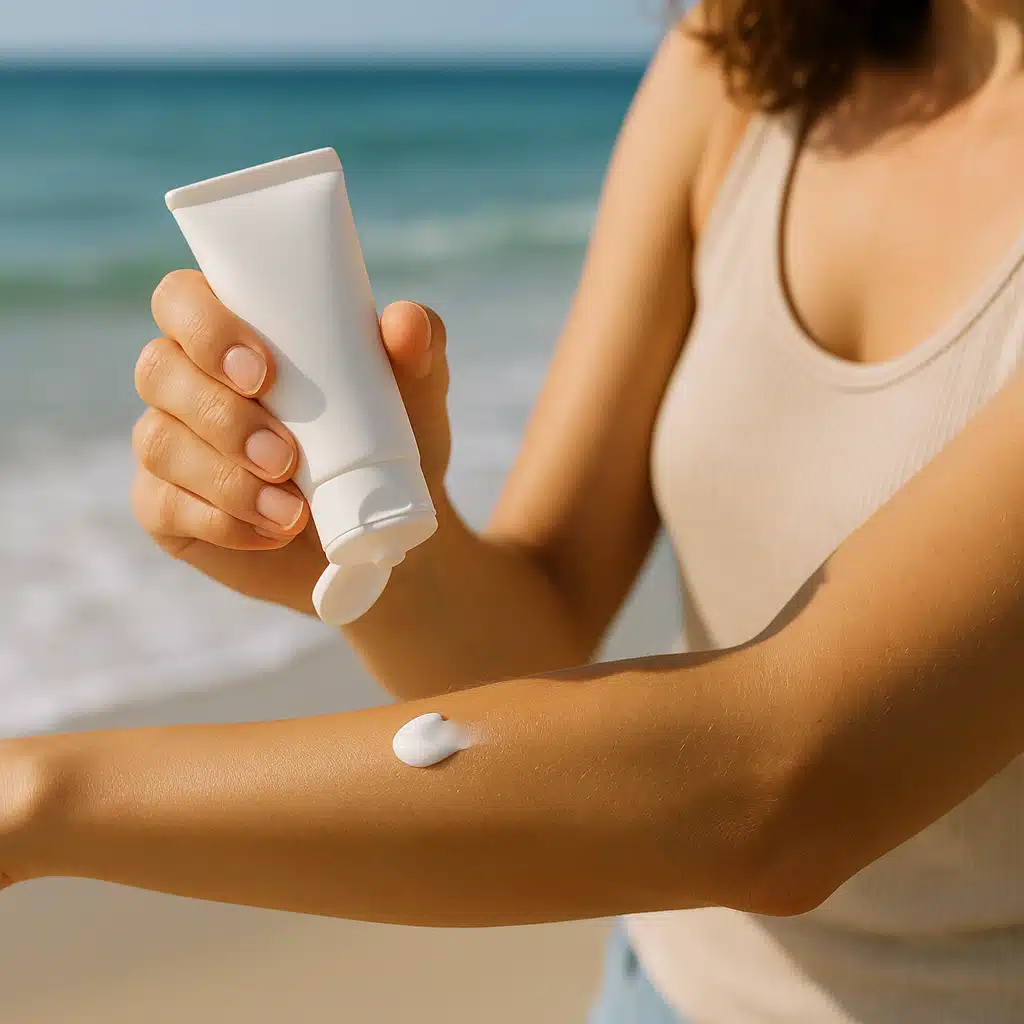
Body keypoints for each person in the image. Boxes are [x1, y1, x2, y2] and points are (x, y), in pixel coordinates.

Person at [3, 1, 1024, 1019]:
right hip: (658, 989)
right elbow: (527, 656)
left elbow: (779, 796)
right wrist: (379, 549)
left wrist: (44, 800)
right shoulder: (742, 65)